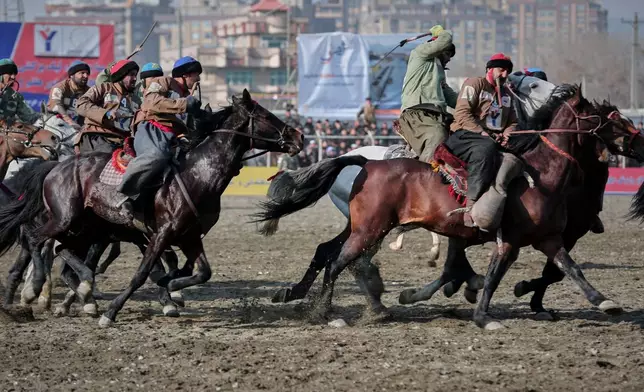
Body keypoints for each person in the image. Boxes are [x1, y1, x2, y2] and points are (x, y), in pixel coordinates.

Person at [116, 56, 202, 222]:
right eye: (196, 75)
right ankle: (124, 195)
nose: (198, 79)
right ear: (185, 75)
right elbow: (152, 101)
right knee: (157, 155)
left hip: (173, 136)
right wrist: (184, 103)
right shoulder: (163, 81)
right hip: (151, 127)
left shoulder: (187, 95)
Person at [446, 53, 522, 230]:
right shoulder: (475, 83)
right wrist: (483, 133)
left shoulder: (507, 94)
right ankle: (470, 205)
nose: (504, 75)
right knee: (486, 149)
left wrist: (507, 135)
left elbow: (513, 122)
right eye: (500, 70)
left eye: (507, 72)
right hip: (464, 135)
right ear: (489, 69)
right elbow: (461, 114)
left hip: (492, 138)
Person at [397, 25, 458, 162]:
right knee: (437, 136)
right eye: (448, 54)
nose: (449, 59)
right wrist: (442, 32)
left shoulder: (438, 73)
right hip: (418, 113)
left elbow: (452, 98)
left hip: (437, 115)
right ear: (437, 48)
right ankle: (426, 173)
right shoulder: (420, 53)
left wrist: (476, 103)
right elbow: (446, 39)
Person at [75, 59, 141, 154]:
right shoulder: (104, 88)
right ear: (121, 75)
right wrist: (106, 113)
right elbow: (81, 104)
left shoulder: (136, 99)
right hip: (97, 137)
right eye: (131, 74)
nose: (135, 78)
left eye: (135, 75)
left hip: (122, 141)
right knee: (109, 155)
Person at [47, 60, 91, 130]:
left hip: (78, 127)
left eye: (87, 73)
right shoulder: (59, 88)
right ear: (72, 75)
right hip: (56, 125)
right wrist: (70, 122)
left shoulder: (89, 91)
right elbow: (56, 106)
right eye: (82, 73)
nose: (86, 76)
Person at [0, 58, 41, 125]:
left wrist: (47, 117)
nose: (13, 77)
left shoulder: (15, 96)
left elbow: (31, 117)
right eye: (10, 73)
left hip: (7, 133)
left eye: (14, 74)